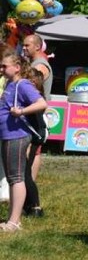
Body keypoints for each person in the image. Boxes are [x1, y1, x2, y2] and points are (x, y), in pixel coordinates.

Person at [0, 52, 48, 232]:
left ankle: (14, 221)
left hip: (17, 135)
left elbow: (42, 103)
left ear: (17, 67)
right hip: (8, 135)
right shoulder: (10, 84)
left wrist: (21, 112)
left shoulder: (23, 84)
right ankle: (12, 219)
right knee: (13, 178)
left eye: (5, 66)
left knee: (16, 177)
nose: (2, 69)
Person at [21, 33, 52, 212]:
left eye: (27, 46)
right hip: (34, 115)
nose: (24, 48)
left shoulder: (40, 65)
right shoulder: (36, 63)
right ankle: (28, 198)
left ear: (37, 47)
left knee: (31, 157)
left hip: (35, 116)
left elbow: (34, 91)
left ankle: (31, 201)